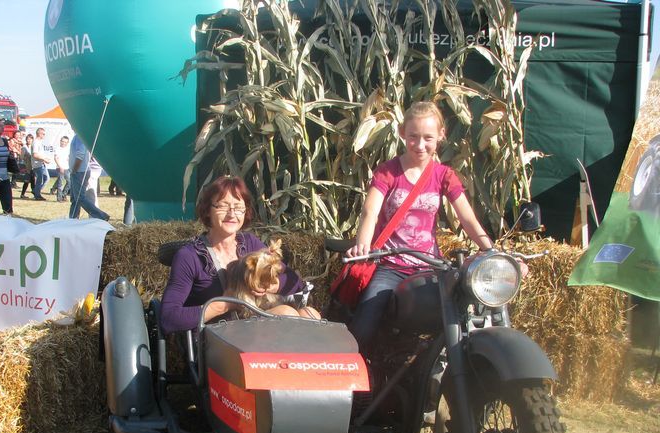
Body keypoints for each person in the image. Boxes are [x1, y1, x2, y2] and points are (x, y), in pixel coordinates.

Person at [346, 101, 494, 356]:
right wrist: (363, 245)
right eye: (413, 137)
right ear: (402, 133)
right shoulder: (388, 172)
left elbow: (467, 218)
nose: (420, 145)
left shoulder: (444, 175)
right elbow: (370, 211)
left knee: (460, 316)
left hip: (430, 267)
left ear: (441, 135)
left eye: (428, 138)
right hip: (390, 266)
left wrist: (491, 252)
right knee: (364, 326)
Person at [160, 176, 317, 335]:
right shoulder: (190, 256)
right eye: (223, 206)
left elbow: (295, 283)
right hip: (217, 337)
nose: (232, 214)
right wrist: (226, 304)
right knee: (286, 313)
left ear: (245, 211)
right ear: (207, 210)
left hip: (253, 328)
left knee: (310, 314)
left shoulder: (250, 243)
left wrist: (271, 285)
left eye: (238, 207)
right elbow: (168, 318)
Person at [68, 134, 109, 221]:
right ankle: (73, 219)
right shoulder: (77, 136)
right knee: (75, 198)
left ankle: (101, 216)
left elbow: (80, 155)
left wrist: (74, 169)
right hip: (78, 171)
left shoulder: (80, 136)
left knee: (80, 198)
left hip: (79, 171)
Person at [31, 127, 51, 200]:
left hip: (41, 164)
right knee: (40, 180)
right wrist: (44, 159)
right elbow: (35, 155)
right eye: (43, 134)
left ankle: (36, 191)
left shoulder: (39, 142)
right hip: (37, 164)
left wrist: (45, 159)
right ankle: (37, 194)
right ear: (39, 134)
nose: (44, 135)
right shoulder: (36, 142)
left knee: (46, 178)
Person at [51, 135, 71, 202]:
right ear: (60, 141)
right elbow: (55, 158)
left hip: (67, 168)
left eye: (65, 142)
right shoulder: (58, 149)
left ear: (67, 143)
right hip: (60, 168)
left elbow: (68, 157)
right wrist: (60, 167)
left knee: (69, 182)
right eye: (62, 141)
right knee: (60, 183)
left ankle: (63, 195)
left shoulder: (68, 149)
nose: (63, 143)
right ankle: (59, 198)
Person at [19, 133, 36, 199]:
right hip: (26, 166)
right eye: (28, 139)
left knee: (32, 180)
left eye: (30, 139)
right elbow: (21, 157)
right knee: (27, 181)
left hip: (32, 166)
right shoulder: (24, 147)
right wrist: (26, 158)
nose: (29, 140)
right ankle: (22, 194)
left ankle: (34, 194)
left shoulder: (33, 147)